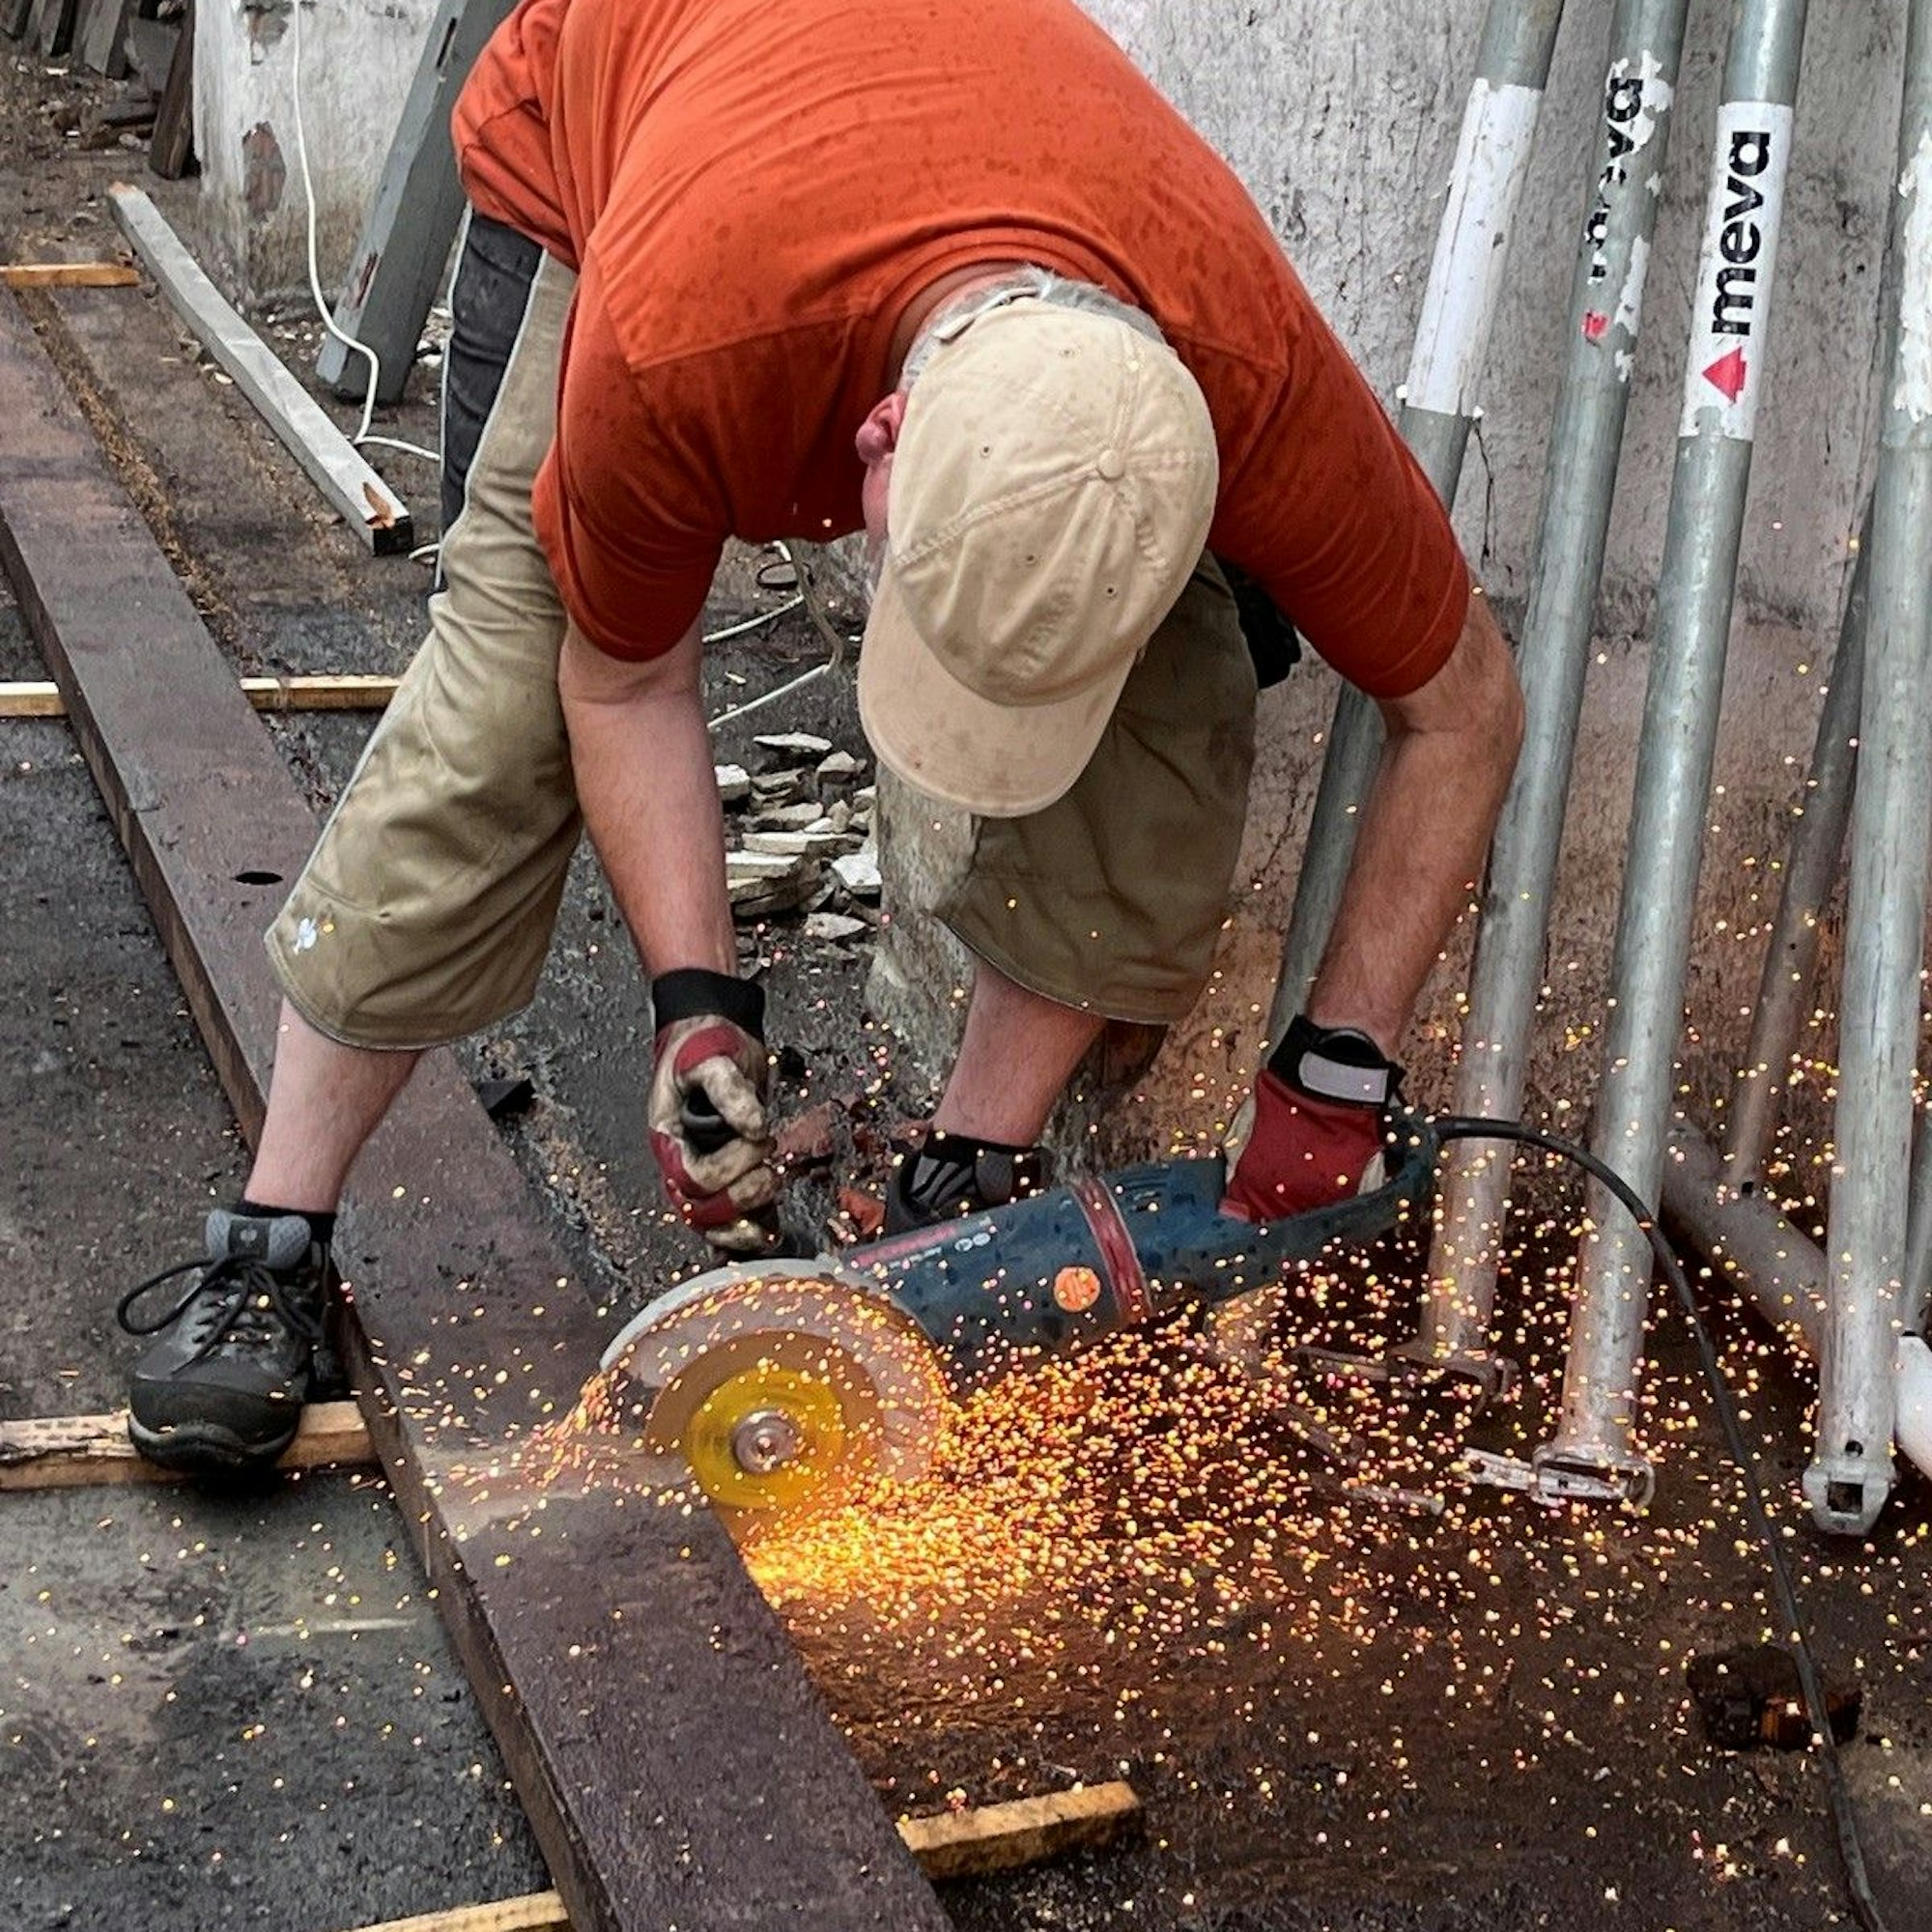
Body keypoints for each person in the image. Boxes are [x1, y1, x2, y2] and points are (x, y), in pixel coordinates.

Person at [116, 0, 1522, 1475]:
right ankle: (272, 1235)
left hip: (925, 170)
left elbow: (1465, 710)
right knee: (516, 684)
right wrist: (694, 1010)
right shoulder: (682, 339)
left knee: (1178, 680)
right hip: (636, 142)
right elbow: (625, 681)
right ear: (881, 434)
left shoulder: (1244, 371)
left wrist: (1337, 1071)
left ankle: (958, 1184)